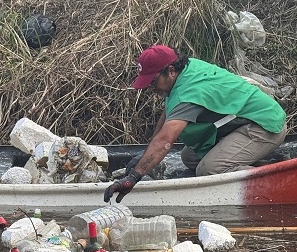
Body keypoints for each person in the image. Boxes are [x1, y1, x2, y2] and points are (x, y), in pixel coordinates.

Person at [105, 44, 287, 202]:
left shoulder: (189, 91)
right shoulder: (183, 71)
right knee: (189, 157)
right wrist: (144, 156)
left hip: (264, 125)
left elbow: (165, 140)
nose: (150, 89)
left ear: (170, 71)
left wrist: (134, 177)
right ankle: (258, 161)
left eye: (152, 82)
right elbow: (169, 113)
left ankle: (278, 180)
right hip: (242, 122)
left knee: (208, 170)